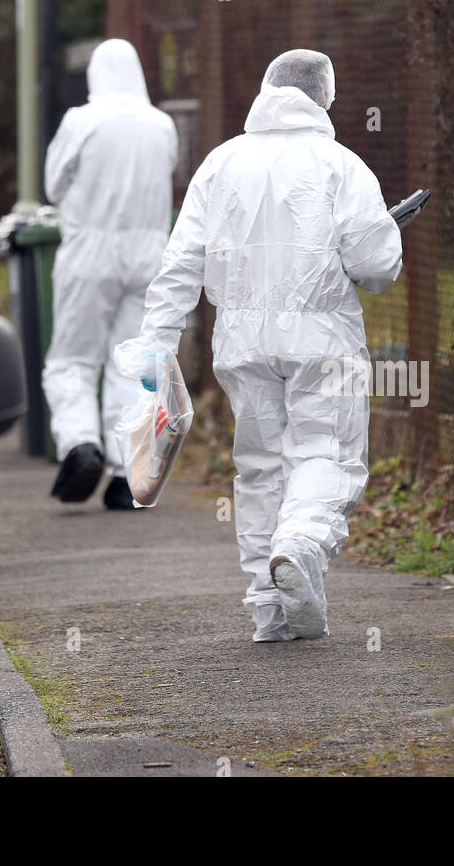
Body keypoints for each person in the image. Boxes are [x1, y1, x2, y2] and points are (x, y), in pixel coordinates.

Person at [122, 49, 403, 641]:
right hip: (322, 336)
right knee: (325, 453)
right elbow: (377, 267)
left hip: (241, 341)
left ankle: (269, 612)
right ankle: (299, 547)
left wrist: (157, 344)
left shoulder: (220, 164)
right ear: (325, 98)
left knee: (258, 468)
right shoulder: (341, 166)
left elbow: (180, 264)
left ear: (266, 91)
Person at [43, 39, 178, 509]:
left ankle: (81, 445)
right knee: (134, 365)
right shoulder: (162, 125)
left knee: (73, 360)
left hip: (90, 253)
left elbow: (54, 186)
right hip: (149, 257)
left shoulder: (81, 121)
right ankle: (127, 475)